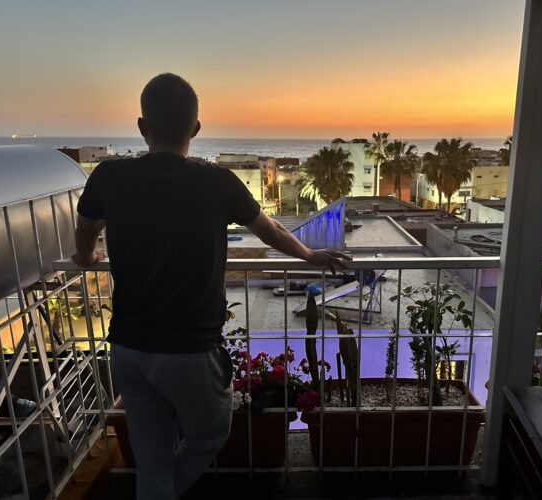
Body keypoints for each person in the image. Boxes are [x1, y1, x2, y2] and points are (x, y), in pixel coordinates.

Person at [72, 73, 350, 500]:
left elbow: (86, 228)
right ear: (196, 128)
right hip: (189, 347)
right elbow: (272, 231)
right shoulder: (216, 181)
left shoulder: (108, 176)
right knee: (210, 434)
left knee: (152, 459)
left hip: (129, 346)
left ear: (143, 126)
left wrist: (87, 257)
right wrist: (310, 255)